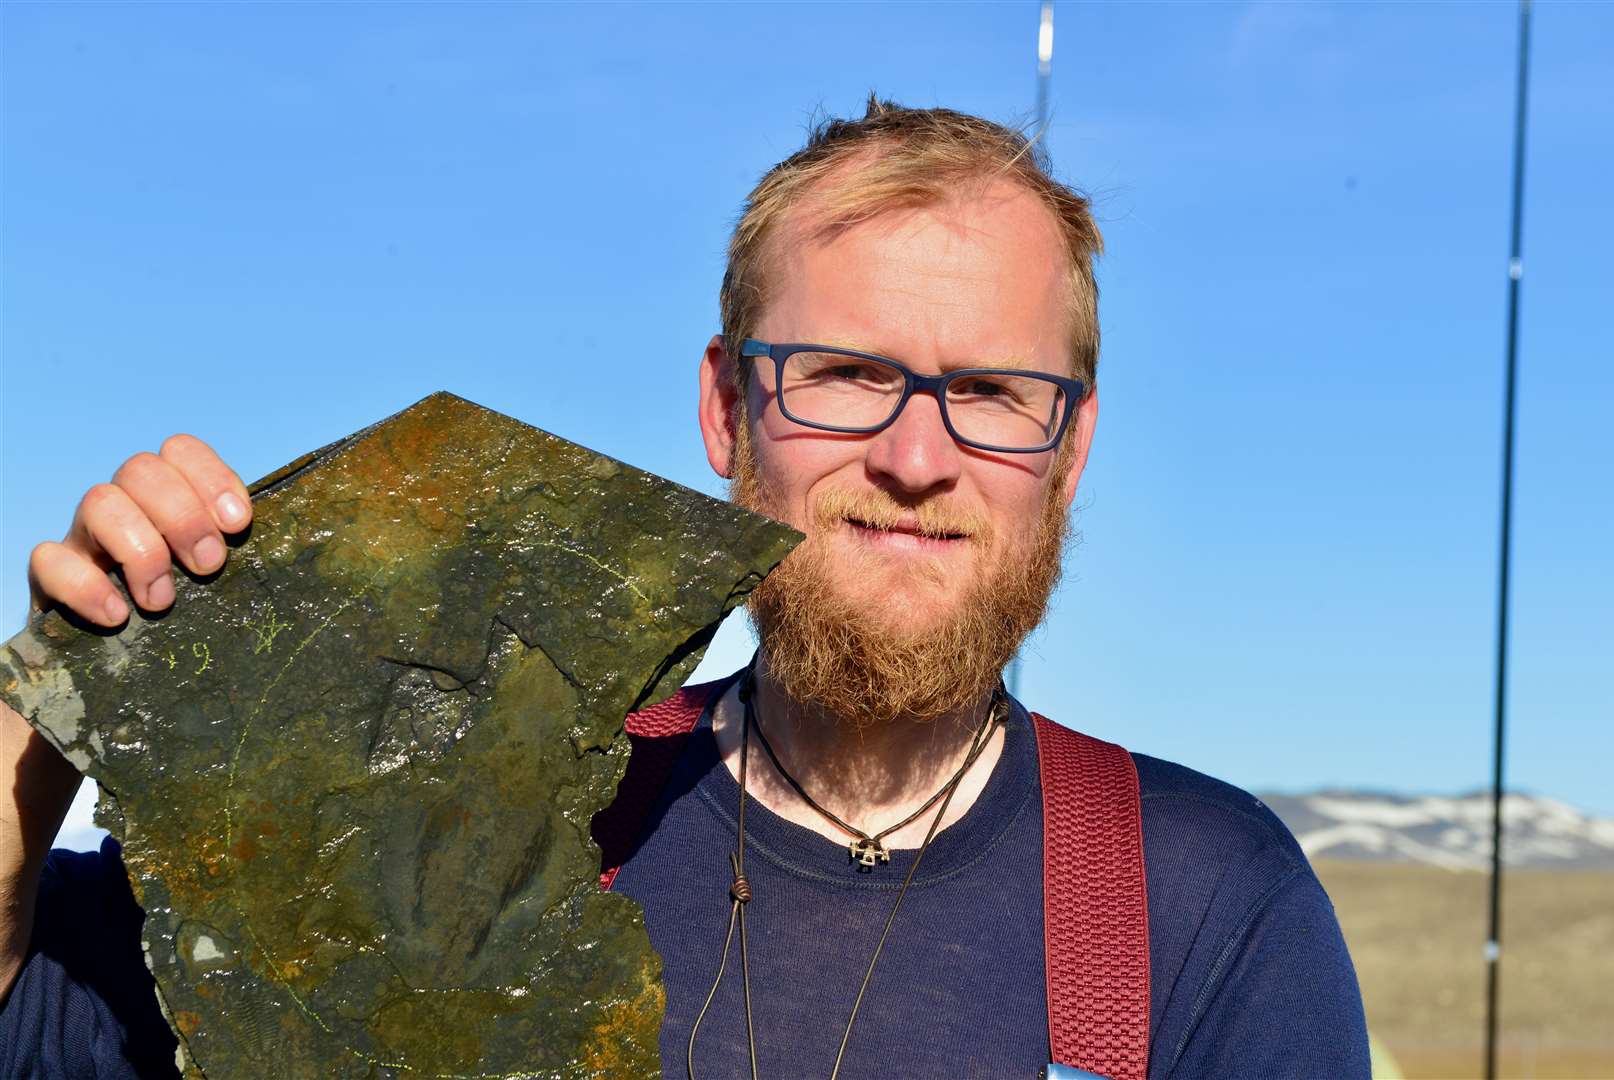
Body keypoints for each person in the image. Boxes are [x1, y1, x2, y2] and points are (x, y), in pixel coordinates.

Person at [0, 98, 1369, 1079]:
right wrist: (69, 673)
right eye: (848, 375)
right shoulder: (472, 803)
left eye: (994, 395)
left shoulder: (1201, 904)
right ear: (729, 410)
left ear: (1067, 452)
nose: (914, 458)